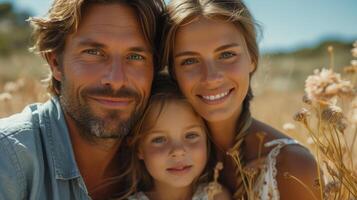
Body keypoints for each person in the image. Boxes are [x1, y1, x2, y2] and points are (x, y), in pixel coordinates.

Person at [0, 0, 165, 199]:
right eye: (93, 53)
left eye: (136, 56)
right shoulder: (8, 159)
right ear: (55, 63)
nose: (116, 80)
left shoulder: (173, 161)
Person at [162, 0, 322, 199]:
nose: (211, 77)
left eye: (227, 54)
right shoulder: (155, 158)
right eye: (190, 61)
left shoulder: (293, 167)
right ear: (173, 72)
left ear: (252, 59)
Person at [122, 74, 230, 200]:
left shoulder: (215, 196)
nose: (178, 151)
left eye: (191, 135)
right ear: (138, 148)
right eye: (159, 139)